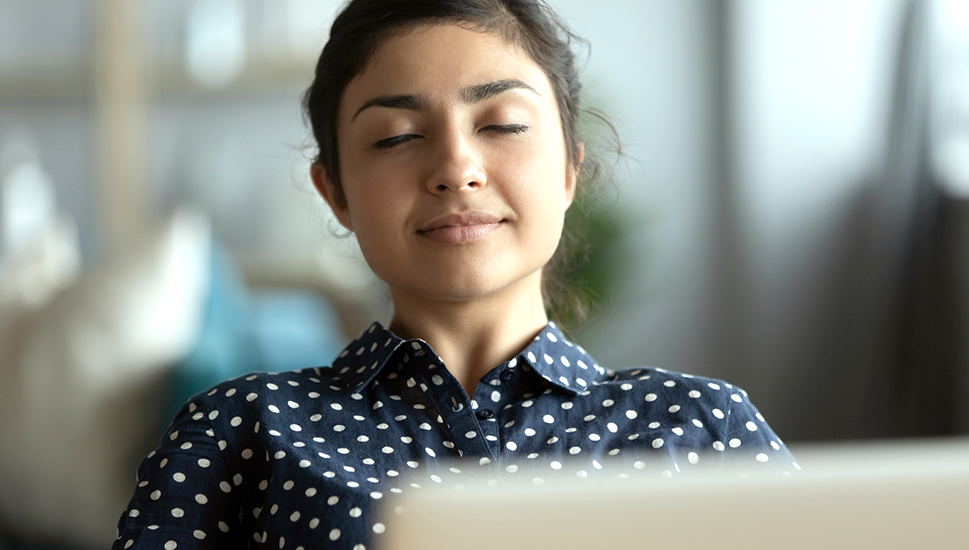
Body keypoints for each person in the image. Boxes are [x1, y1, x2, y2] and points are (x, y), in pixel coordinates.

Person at [112, 1, 797, 548]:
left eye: (501, 123)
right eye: (397, 137)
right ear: (336, 193)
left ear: (569, 170)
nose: (454, 167)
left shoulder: (700, 426)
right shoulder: (240, 429)